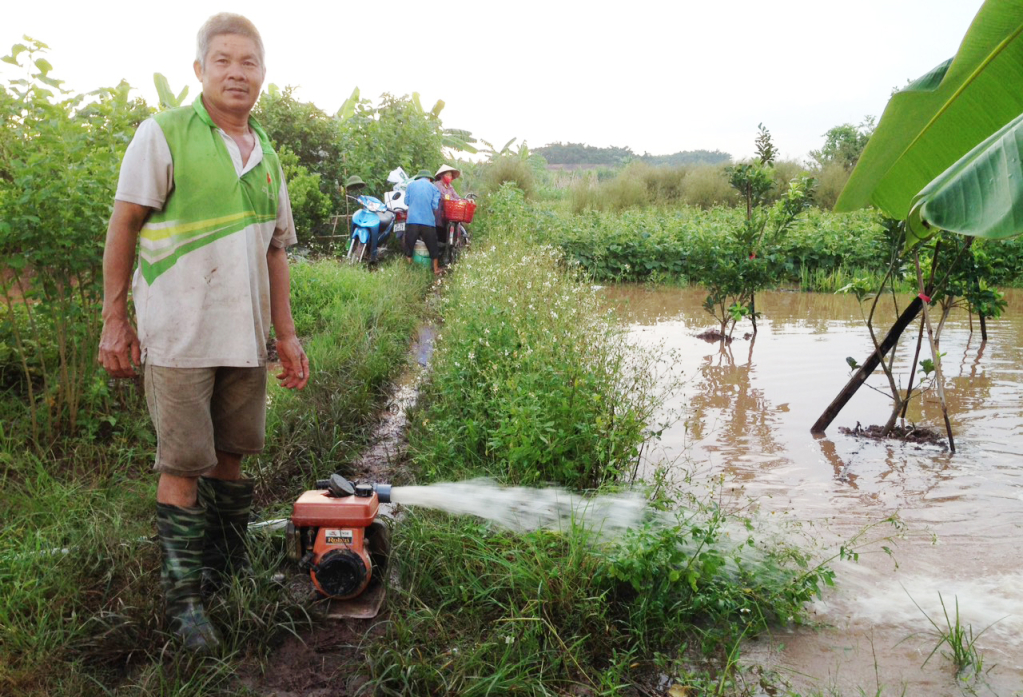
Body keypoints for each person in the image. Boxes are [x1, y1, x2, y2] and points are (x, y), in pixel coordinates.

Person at [97, 13, 309, 652]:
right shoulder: (163, 134)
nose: (237, 73)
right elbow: (123, 224)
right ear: (199, 70)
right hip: (180, 336)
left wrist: (286, 335)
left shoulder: (266, 154)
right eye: (224, 61)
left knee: (232, 459)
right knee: (184, 464)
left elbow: (276, 250)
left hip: (243, 339)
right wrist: (114, 320)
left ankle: (227, 573)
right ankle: (186, 604)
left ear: (263, 75)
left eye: (249, 63)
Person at [403, 169, 443, 275]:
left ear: (418, 178)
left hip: (412, 220)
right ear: (429, 179)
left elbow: (406, 202)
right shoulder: (434, 189)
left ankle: (408, 269)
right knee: (433, 246)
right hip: (428, 221)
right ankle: (436, 269)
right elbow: (434, 206)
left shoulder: (410, 186)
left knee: (409, 245)